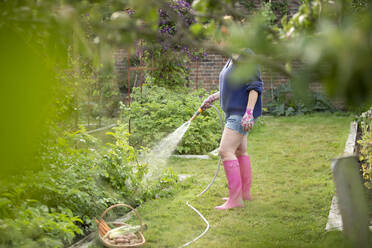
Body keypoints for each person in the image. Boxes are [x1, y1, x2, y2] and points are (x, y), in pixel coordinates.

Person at [200, 49, 263, 210]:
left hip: (240, 113)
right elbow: (234, 87)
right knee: (240, 151)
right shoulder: (232, 57)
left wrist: (248, 113)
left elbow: (254, 87)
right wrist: (213, 97)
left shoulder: (246, 55)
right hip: (234, 112)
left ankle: (235, 200)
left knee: (225, 150)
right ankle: (243, 194)